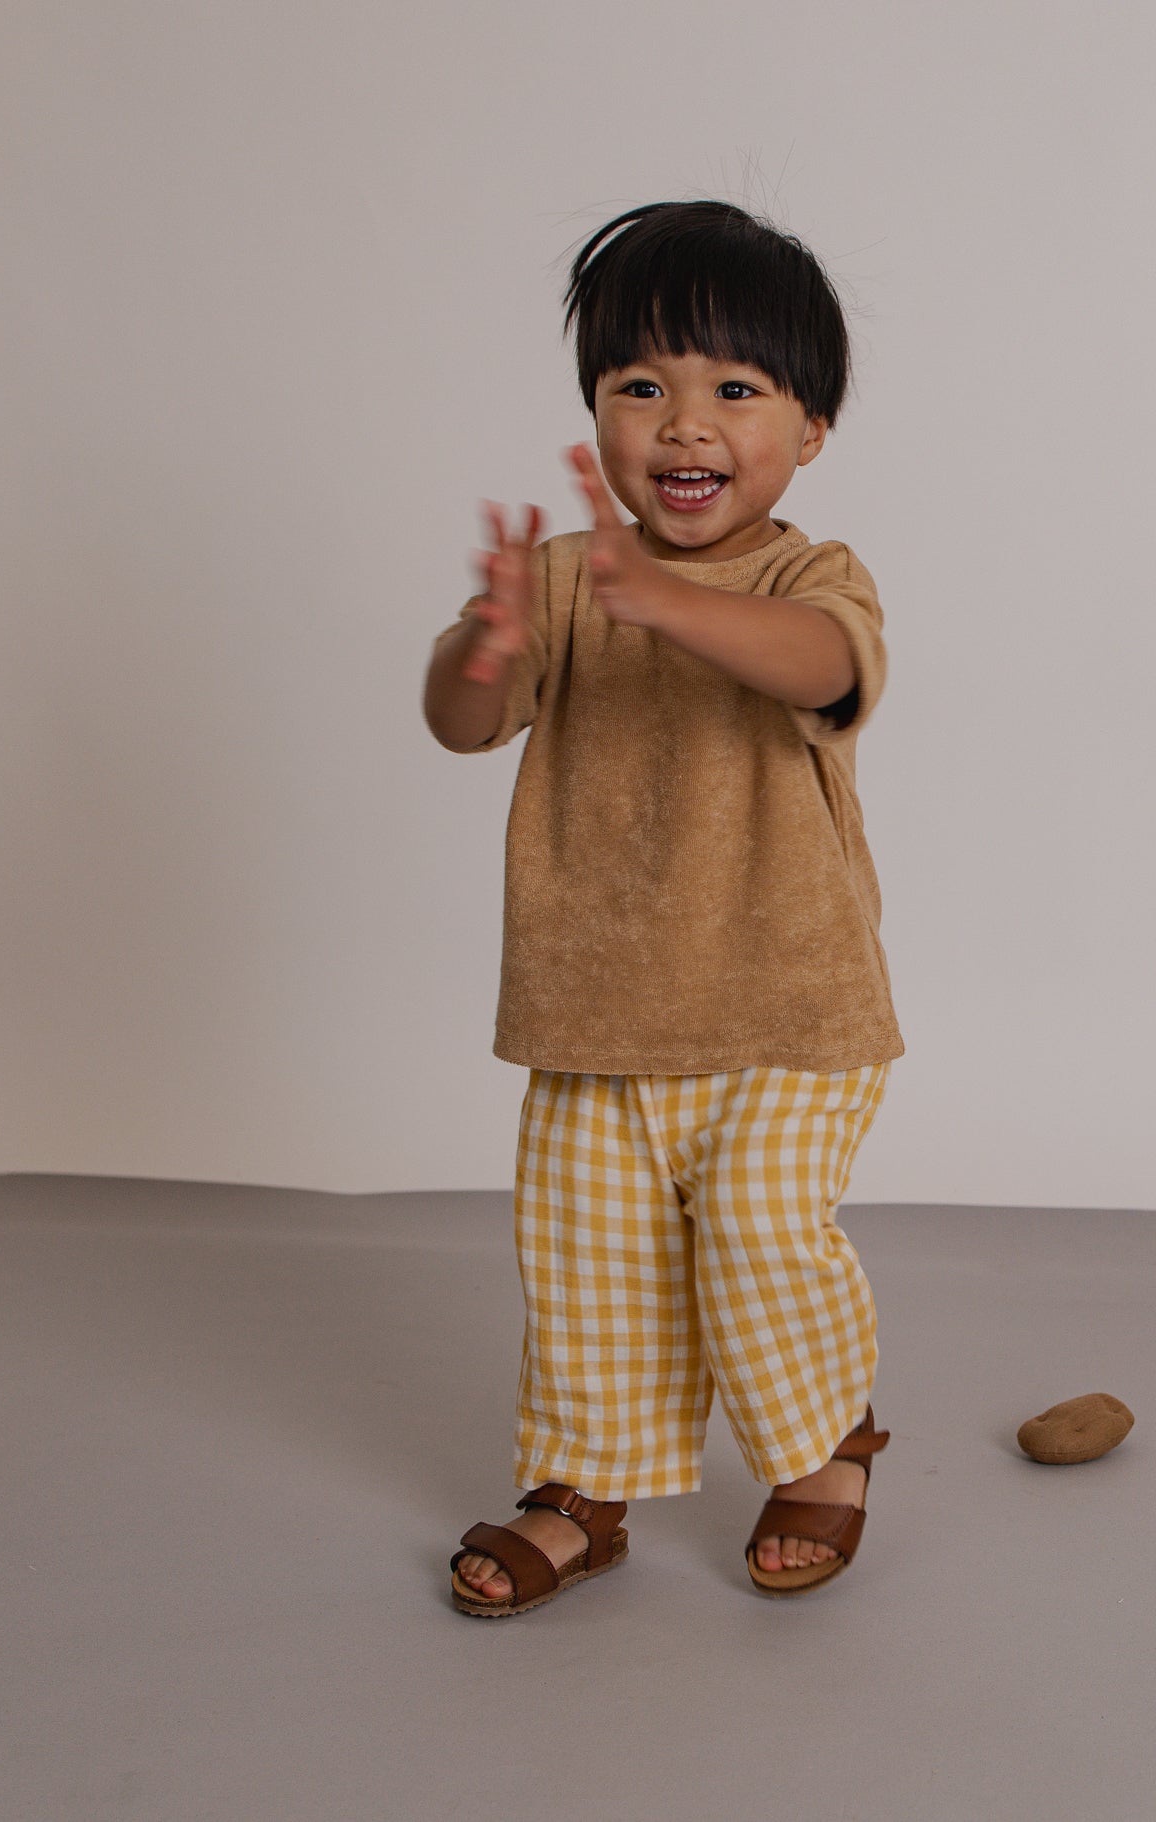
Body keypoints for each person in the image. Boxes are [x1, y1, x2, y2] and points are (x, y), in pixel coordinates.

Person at [423, 200, 905, 1616]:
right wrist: (486, 639)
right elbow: (461, 723)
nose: (684, 424)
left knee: (758, 1223)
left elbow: (822, 666)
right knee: (587, 1254)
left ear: (809, 428)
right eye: (642, 387)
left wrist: (667, 598)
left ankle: (826, 1443)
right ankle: (582, 1480)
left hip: (792, 1009)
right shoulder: (569, 580)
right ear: (597, 411)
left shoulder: (811, 579)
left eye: (734, 391)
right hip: (596, 1012)